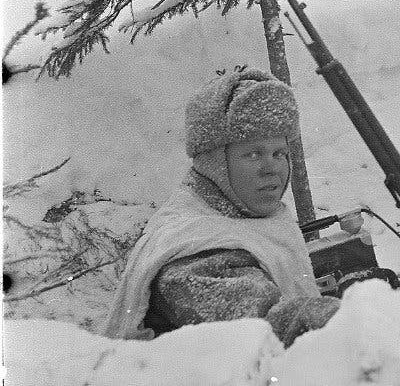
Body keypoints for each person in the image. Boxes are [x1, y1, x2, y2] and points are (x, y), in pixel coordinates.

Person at [105, 68, 340, 344]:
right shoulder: (193, 252)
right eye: (253, 154)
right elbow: (265, 324)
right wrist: (357, 320)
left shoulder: (241, 215)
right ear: (214, 163)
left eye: (280, 153)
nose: (271, 168)